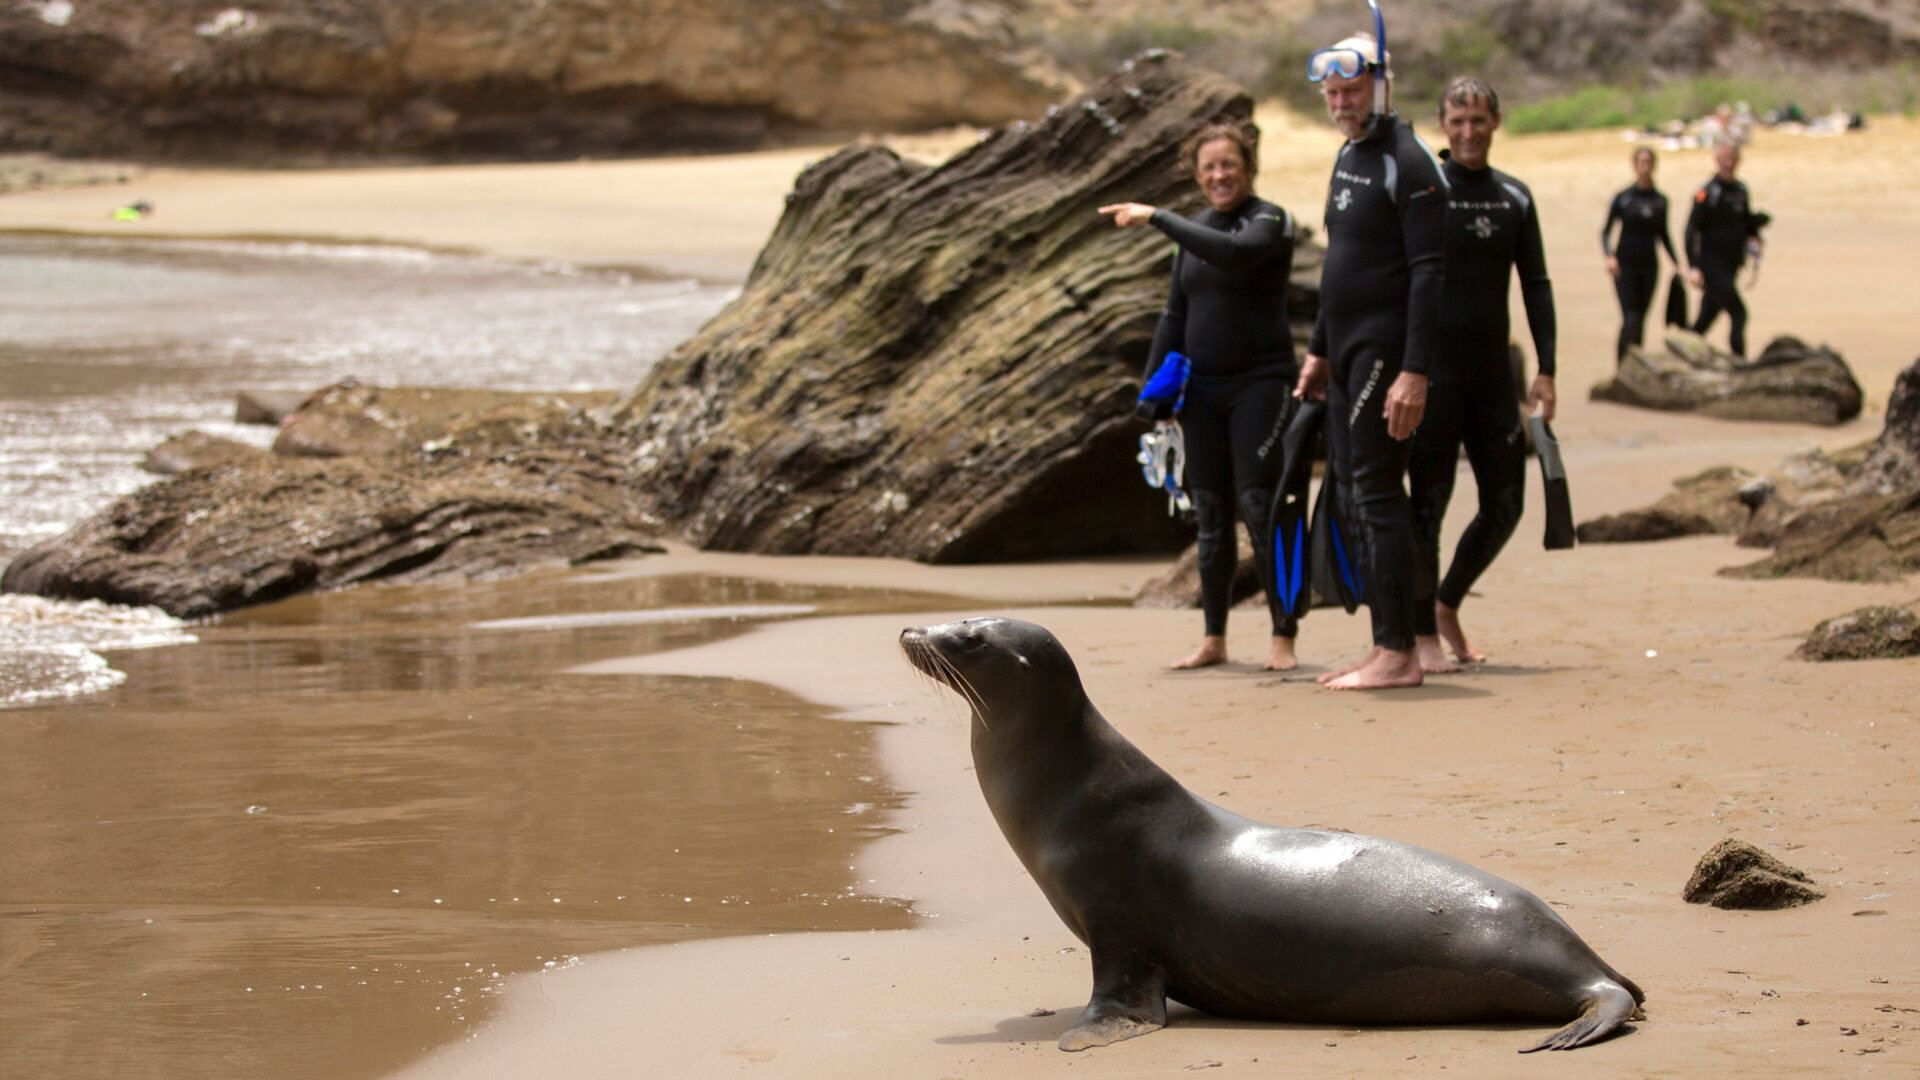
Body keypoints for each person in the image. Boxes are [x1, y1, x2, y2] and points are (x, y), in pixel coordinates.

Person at [1099, 119, 1302, 672]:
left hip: (1261, 385)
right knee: (1211, 515)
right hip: (1203, 392)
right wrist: (1154, 392)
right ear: (1195, 174)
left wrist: (1158, 217)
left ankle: (1283, 636)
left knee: (1261, 508)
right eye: (1208, 167)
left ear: (1249, 167)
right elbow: (1175, 316)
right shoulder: (1190, 237)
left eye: (1229, 164)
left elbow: (1236, 254)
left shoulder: (1271, 220)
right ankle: (1214, 638)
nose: (1219, 175)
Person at [1294, 29, 1446, 691]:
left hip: (1389, 354)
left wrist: (1415, 370)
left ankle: (1399, 654)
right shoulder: (1350, 155)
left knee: (1378, 493)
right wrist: (1320, 350)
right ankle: (1389, 642)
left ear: (1381, 84)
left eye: (1351, 89)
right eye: (1331, 91)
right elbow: (1338, 267)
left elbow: (1430, 274)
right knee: (1359, 491)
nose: (1340, 101)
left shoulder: (1408, 163)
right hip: (1348, 352)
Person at [1407, 76, 1556, 672]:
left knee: (1506, 504)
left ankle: (1446, 603)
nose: (1468, 132)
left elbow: (1536, 286)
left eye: (1479, 120)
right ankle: (1423, 636)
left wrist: (1546, 369)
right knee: (1428, 508)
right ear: (1443, 125)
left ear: (1496, 121)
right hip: (1432, 377)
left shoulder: (1514, 197)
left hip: (1495, 376)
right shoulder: (1424, 190)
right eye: (1457, 121)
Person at [1686, 140, 1764, 357]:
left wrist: (1755, 234)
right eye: (1724, 159)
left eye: (1732, 158)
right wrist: (1693, 267)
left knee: (1705, 319)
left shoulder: (1741, 190)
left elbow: (1745, 223)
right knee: (1739, 313)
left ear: (1738, 160)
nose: (1729, 163)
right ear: (1717, 161)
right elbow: (1691, 230)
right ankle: (1740, 363)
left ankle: (1680, 353)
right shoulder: (1707, 192)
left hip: (1732, 265)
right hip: (1711, 266)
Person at [1602, 147, 1679, 362]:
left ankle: (1636, 365)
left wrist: (1677, 264)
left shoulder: (1660, 200)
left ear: (1654, 166)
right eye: (1641, 162)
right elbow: (1605, 232)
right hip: (1625, 265)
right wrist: (1609, 256)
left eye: (1648, 162)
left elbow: (1664, 235)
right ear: (1634, 165)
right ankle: (1621, 365)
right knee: (1630, 318)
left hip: (1649, 266)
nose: (1645, 167)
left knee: (1641, 320)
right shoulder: (1623, 198)